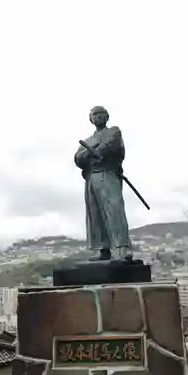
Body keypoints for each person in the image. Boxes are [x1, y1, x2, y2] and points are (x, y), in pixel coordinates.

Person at [74, 106, 132, 260]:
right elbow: (78, 158)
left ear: (107, 116)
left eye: (101, 114)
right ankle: (102, 248)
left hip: (108, 174)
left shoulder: (114, 131)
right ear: (91, 119)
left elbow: (110, 145)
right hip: (91, 177)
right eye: (94, 114)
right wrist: (90, 152)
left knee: (114, 210)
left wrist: (96, 152)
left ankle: (121, 247)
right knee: (95, 213)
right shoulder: (87, 141)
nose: (98, 117)